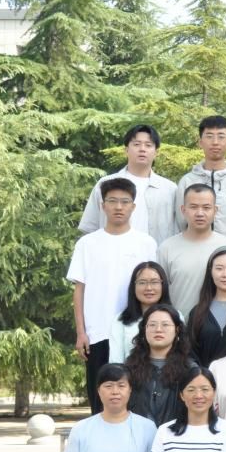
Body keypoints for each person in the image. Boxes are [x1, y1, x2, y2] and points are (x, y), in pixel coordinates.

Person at [69, 177, 159, 413]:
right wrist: (81, 332)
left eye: (125, 201)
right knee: (100, 398)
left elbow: (154, 288)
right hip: (98, 333)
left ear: (133, 206)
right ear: (102, 205)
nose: (119, 207)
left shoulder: (146, 243)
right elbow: (79, 289)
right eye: (112, 201)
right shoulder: (87, 244)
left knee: (139, 398)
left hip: (136, 333)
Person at [79, 124, 177, 245]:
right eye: (136, 144)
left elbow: (179, 231)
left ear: (156, 152)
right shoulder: (105, 184)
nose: (142, 149)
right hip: (112, 252)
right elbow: (90, 228)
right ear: (126, 150)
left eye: (148, 145)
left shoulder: (170, 189)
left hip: (154, 255)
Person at [158, 185, 226, 316]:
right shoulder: (166, 248)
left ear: (215, 210)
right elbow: (160, 292)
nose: (200, 213)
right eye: (193, 207)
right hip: (179, 324)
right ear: (183, 210)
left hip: (218, 325)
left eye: (206, 207)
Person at [174, 115, 226, 244]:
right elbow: (181, 222)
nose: (215, 142)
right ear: (200, 142)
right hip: (193, 249)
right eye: (209, 136)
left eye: (221, 136)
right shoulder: (187, 181)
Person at [127, 306, 197, 427]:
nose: (158, 329)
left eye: (165, 325)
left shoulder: (190, 369)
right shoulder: (129, 367)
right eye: (152, 325)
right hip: (137, 434)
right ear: (144, 329)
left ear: (177, 330)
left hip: (175, 434)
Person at [109, 261, 173, 364]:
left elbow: (181, 355)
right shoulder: (120, 320)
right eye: (142, 282)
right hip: (129, 373)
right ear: (133, 286)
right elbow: (115, 363)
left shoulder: (175, 316)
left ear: (163, 285)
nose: (149, 288)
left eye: (154, 282)